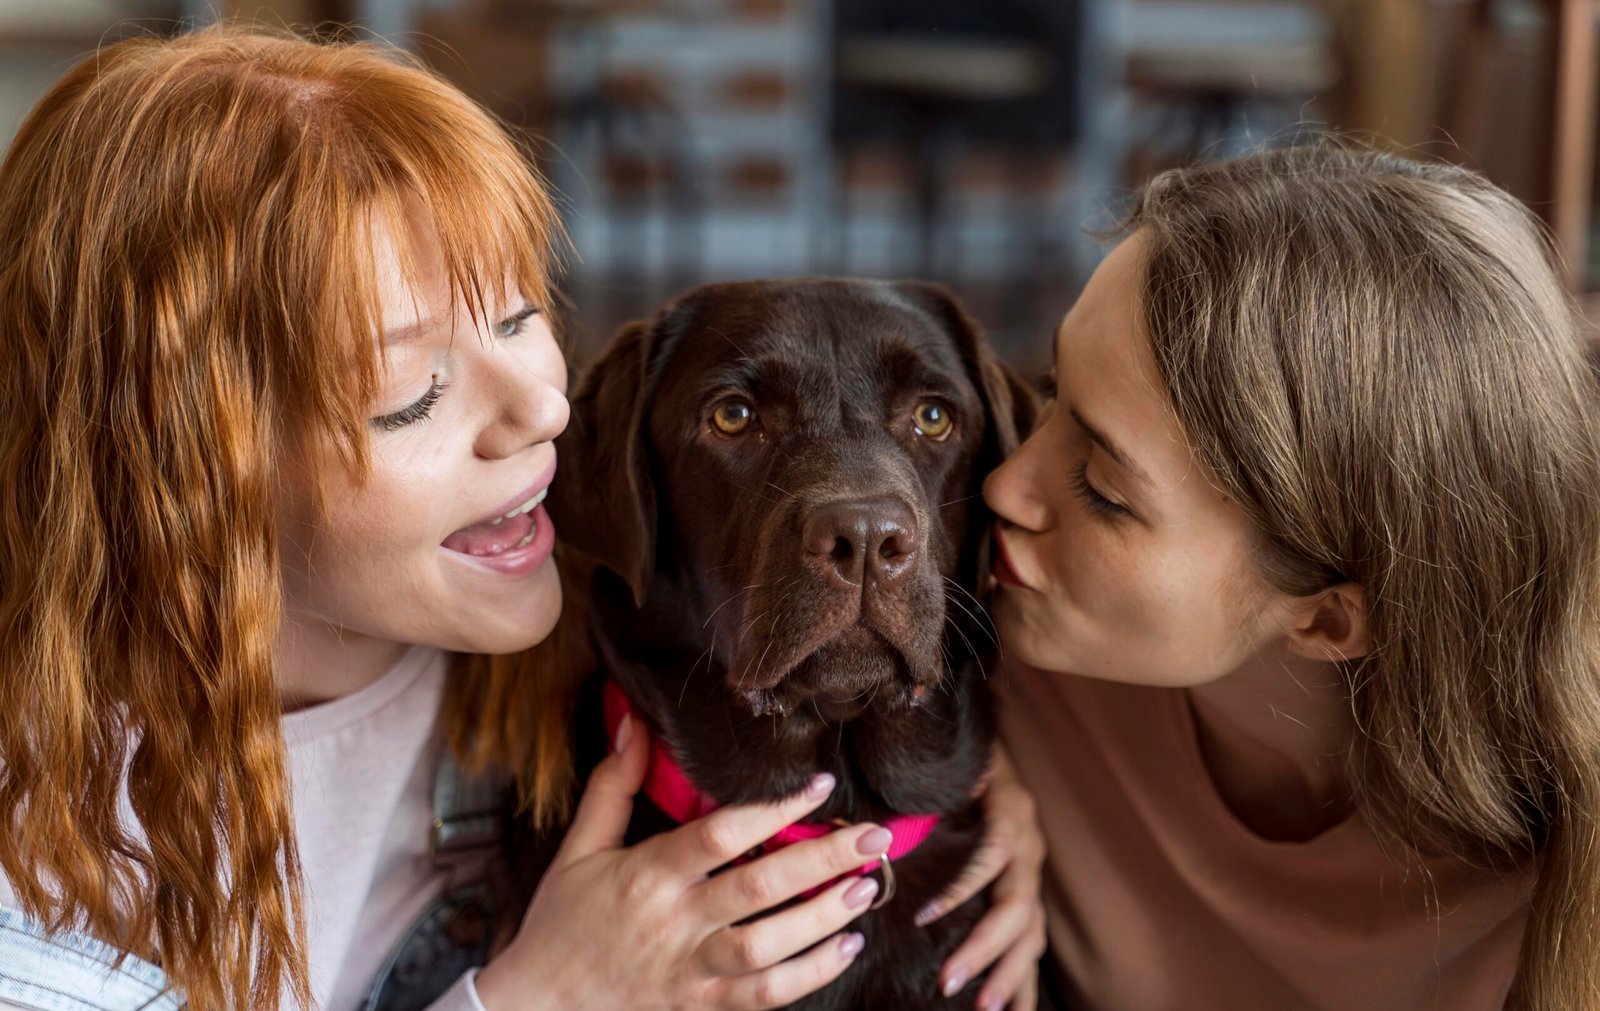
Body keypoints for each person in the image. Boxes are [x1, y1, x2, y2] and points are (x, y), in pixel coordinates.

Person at [0, 25, 1043, 1011]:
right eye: (411, 389)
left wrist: (976, 814)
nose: (544, 410)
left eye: (517, 316)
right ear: (180, 468)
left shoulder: (583, 668)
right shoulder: (32, 896)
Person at [985, 143, 1600, 1010]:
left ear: (1328, 621)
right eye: (1053, 391)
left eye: (1104, 488)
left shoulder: (1550, 867)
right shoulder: (1006, 637)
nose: (1003, 484)